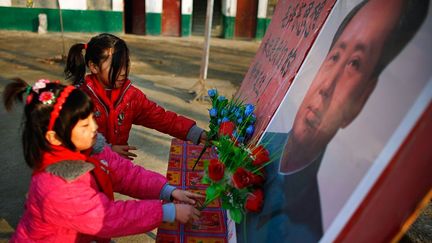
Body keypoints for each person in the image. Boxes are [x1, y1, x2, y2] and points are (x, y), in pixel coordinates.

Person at [238, 0, 429, 242]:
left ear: (363, 98)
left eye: (355, 64)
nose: (326, 87)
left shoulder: (307, 228)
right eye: (335, 56)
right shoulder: (263, 143)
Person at [4, 78, 203, 242]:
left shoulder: (91, 148)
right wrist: (166, 212)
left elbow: (126, 174)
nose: (93, 127)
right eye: (84, 125)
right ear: (54, 137)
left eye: (92, 118)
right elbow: (106, 217)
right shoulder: (55, 185)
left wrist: (169, 191)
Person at [64, 33, 206, 160]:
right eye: (116, 67)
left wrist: (197, 134)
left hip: (118, 167)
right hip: (88, 172)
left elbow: (161, 118)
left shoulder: (131, 96)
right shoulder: (79, 98)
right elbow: (70, 137)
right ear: (94, 67)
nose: (123, 72)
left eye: (125, 65)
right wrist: (108, 150)